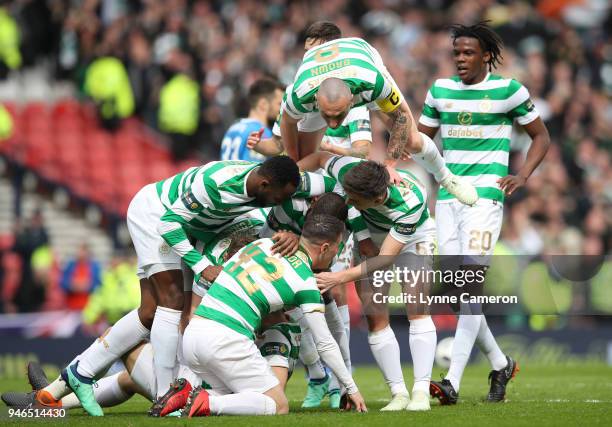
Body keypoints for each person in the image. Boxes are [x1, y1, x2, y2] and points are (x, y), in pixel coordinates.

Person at [48, 157, 300, 417]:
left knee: (149, 313)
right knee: (171, 300)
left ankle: (71, 379)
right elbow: (168, 224)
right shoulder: (215, 185)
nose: (279, 204)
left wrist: (294, 234)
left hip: (186, 232)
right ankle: (165, 396)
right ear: (264, 184)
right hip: (157, 215)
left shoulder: (259, 208)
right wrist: (202, 266)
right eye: (278, 198)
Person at [417, 22, 550, 405]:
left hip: (485, 199)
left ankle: (452, 381)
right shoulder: (440, 91)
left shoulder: (509, 90)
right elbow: (423, 142)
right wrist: (403, 139)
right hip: (446, 199)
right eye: (456, 53)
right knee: (461, 292)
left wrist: (522, 175)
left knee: (469, 285)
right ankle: (501, 363)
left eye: (467, 53)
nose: (460, 59)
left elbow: (541, 135)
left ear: (486, 55)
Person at [268, 21, 477, 207]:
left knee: (411, 141)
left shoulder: (373, 82)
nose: (332, 125)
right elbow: (288, 124)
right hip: (319, 76)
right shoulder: (301, 94)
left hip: (361, 57)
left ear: (353, 101)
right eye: (327, 115)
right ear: (316, 103)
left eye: (339, 116)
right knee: (304, 163)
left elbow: (402, 116)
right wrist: (294, 165)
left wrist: (389, 164)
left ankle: (447, 177)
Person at [181, 214, 366, 417]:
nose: (337, 254)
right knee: (277, 405)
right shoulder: (305, 282)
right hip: (225, 338)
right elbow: (325, 343)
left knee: (238, 396)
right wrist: (351, 388)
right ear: (324, 248)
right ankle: (206, 401)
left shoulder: (263, 243)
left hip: (194, 334)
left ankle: (186, 396)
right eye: (338, 247)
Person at [301, 152, 437, 411]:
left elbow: (385, 258)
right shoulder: (350, 171)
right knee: (375, 315)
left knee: (416, 307)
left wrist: (339, 276)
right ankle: (398, 393)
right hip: (372, 233)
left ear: (376, 198)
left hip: (413, 238)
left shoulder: (410, 203)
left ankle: (421, 391)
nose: (348, 201)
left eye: (354, 199)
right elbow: (318, 157)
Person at [220, 78, 284, 161]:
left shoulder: (233, 127)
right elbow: (254, 168)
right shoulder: (261, 133)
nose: (282, 108)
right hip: (243, 173)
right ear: (263, 104)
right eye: (279, 103)